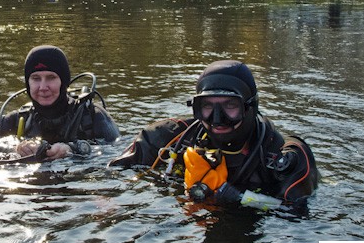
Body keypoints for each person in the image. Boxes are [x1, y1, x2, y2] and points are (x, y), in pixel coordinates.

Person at [109, 60, 318, 210]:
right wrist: (105, 199)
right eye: (207, 106)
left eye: (230, 105)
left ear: (250, 107)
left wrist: (234, 196)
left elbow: (293, 214)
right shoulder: (172, 135)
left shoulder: (285, 156)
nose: (217, 119)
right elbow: (115, 172)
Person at [0, 45, 120, 161]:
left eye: (51, 78)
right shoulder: (16, 120)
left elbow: (119, 152)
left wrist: (75, 150)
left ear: (64, 82)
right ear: (28, 83)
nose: (43, 87)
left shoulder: (94, 117)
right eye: (36, 78)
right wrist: (15, 148)